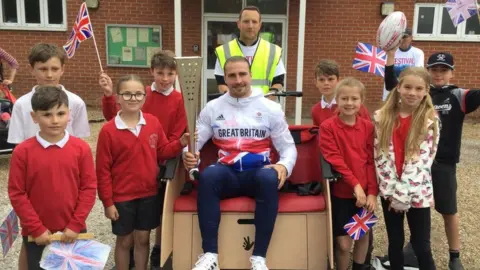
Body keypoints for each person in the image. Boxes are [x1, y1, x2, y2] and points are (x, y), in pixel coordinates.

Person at [183, 56, 297, 270]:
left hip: (258, 173)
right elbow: (194, 143)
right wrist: (188, 155)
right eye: (232, 75)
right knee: (208, 176)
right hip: (227, 172)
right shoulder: (213, 107)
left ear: (250, 76)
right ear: (225, 78)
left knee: (267, 177)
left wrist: (283, 166)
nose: (238, 80)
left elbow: (288, 147)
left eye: (242, 74)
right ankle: (210, 256)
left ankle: (259, 258)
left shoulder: (269, 108)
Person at [383, 51, 480, 270]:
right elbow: (392, 84)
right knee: (416, 213)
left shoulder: (458, 95)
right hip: (412, 166)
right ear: (428, 71)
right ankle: (412, 249)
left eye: (443, 70)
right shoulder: (417, 92)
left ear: (451, 72)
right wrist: (390, 54)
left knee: (448, 210)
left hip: (442, 163)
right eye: (434, 69)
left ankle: (454, 255)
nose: (438, 74)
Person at [99, 50, 187, 269]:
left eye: (170, 73)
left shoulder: (171, 105)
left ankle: (155, 255)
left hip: (155, 170)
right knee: (126, 239)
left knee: (146, 232)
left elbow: (169, 143)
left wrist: (181, 143)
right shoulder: (115, 124)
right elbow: (114, 118)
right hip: (126, 184)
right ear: (152, 72)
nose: (165, 78)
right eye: (160, 73)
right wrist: (107, 201)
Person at [8, 86, 97, 270]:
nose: (55, 120)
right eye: (47, 115)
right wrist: (36, 228)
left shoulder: (81, 149)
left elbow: (88, 188)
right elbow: (17, 193)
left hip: (74, 231)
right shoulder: (22, 152)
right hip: (37, 234)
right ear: (34, 117)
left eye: (61, 113)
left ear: (69, 114)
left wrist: (75, 224)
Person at [375, 67, 440, 270]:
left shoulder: (431, 120)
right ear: (399, 87)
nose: (412, 92)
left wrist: (403, 195)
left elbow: (422, 161)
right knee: (395, 242)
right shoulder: (382, 117)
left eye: (419, 88)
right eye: (408, 87)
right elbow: (380, 157)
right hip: (390, 192)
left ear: (426, 90)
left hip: (417, 192)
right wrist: (393, 192)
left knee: (421, 245)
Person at [318, 77, 378, 270]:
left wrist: (372, 192)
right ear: (337, 99)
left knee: (362, 235)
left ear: (361, 101)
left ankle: (359, 267)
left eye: (354, 99)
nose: (349, 103)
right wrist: (355, 185)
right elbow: (336, 160)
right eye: (344, 99)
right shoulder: (328, 127)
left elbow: (371, 161)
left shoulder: (368, 127)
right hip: (342, 193)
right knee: (344, 244)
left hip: (366, 193)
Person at [7, 43, 90, 145]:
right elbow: (18, 142)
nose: (49, 75)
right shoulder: (21, 104)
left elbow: (79, 140)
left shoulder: (76, 102)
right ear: (32, 70)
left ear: (62, 69)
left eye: (55, 69)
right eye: (43, 69)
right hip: (33, 159)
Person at [214, 6, 286, 95]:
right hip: (234, 107)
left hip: (263, 107)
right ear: (238, 24)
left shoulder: (273, 51)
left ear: (260, 25)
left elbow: (278, 83)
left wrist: (263, 103)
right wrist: (236, 102)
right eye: (246, 21)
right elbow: (221, 84)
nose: (250, 26)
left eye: (254, 22)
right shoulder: (224, 51)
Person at [311, 60, 371, 126]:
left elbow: (368, 130)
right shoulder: (315, 110)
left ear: (338, 80)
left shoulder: (354, 106)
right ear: (316, 82)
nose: (326, 83)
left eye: (330, 79)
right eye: (321, 80)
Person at [382, 28, 424, 101]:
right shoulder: (391, 52)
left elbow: (418, 72)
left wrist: (395, 69)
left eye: (405, 37)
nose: (402, 40)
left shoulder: (418, 52)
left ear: (411, 38)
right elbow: (386, 71)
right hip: (390, 92)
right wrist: (406, 69)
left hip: (408, 93)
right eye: (400, 37)